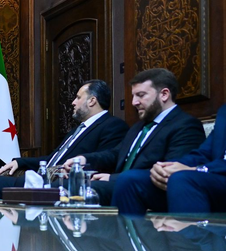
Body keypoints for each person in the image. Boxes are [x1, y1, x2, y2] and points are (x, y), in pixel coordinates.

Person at [63, 69, 205, 207]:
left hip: (148, 190)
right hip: (121, 184)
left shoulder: (186, 125)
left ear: (164, 94)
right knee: (61, 186)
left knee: (82, 190)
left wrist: (113, 178)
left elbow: (170, 172)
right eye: (133, 96)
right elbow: (116, 154)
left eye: (141, 95)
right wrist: (85, 159)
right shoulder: (138, 127)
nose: (134, 102)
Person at [0, 80, 128, 199]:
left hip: (64, 184)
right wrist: (19, 161)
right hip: (46, 178)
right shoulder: (78, 129)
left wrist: (80, 162)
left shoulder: (113, 125)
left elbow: (106, 160)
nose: (73, 102)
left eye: (78, 98)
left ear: (92, 101)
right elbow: (52, 159)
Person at [114, 104, 226, 214]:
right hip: (212, 178)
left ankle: (191, 232)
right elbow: (204, 153)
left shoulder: (184, 123)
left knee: (182, 179)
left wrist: (199, 169)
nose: (134, 102)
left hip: (215, 175)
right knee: (129, 179)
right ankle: (128, 232)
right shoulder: (224, 110)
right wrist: (168, 167)